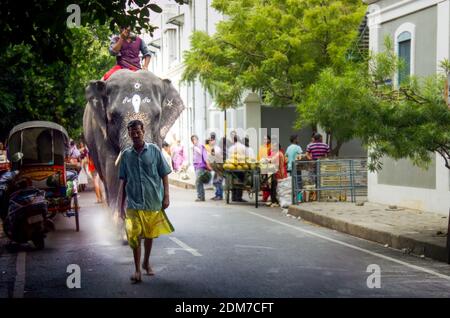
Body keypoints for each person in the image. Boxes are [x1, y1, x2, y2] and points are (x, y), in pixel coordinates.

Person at [118, 120, 173, 283]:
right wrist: (120, 205)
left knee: (149, 235)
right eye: (132, 132)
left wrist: (167, 196)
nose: (135, 134)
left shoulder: (155, 150)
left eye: (138, 131)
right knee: (134, 235)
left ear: (143, 131)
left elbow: (164, 173)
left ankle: (146, 262)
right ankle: (137, 270)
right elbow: (123, 181)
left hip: (152, 200)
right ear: (129, 134)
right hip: (133, 202)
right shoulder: (126, 155)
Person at [191, 135, 212, 202]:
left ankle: (200, 197)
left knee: (198, 182)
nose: (194, 141)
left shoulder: (201, 147)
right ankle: (201, 197)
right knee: (199, 182)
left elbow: (205, 157)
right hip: (196, 167)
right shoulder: (194, 148)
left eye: (195, 139)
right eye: (193, 140)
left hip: (200, 167)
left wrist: (208, 166)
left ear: (198, 139)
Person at [227, 135, 248, 202]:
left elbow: (229, 157)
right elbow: (246, 156)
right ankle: (238, 197)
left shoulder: (231, 148)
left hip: (232, 167)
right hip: (241, 167)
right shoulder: (243, 147)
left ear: (234, 140)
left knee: (233, 181)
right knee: (240, 181)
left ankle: (233, 197)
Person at [268, 139, 287, 208]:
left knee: (275, 187)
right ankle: (274, 200)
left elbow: (273, 161)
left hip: (278, 173)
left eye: (274, 146)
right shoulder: (278, 153)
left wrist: (267, 161)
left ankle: (275, 201)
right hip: (277, 172)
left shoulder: (278, 154)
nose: (272, 147)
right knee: (274, 187)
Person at [208, 134, 223, 201]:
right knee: (215, 181)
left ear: (214, 140)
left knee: (218, 181)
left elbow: (219, 157)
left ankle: (219, 195)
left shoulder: (216, 148)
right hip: (216, 168)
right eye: (210, 140)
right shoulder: (212, 148)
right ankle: (217, 194)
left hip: (219, 167)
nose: (210, 142)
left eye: (211, 140)